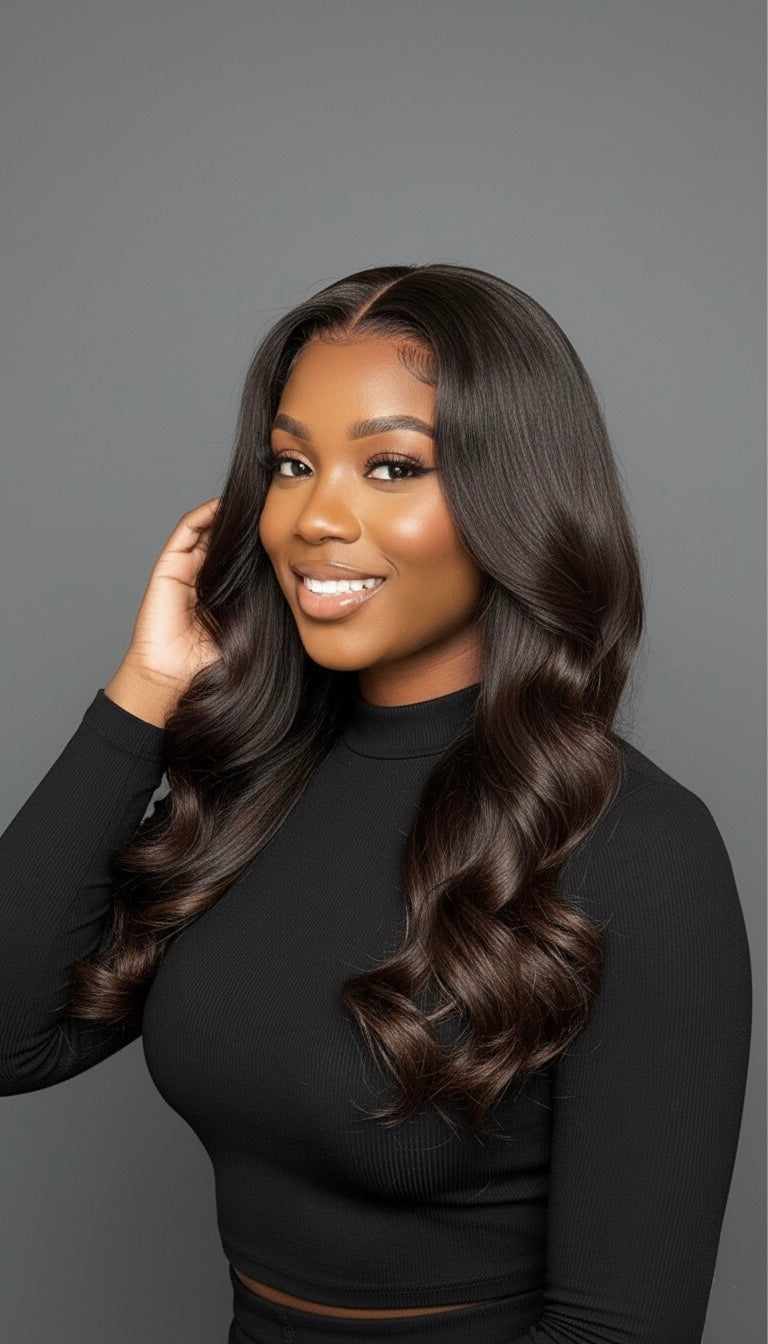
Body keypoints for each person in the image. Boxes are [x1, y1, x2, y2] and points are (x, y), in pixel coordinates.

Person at [0, 263, 752, 1344]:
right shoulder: (256, 787)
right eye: (292, 464)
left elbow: (620, 1330)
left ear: (511, 498)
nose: (316, 517)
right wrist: (145, 694)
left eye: (392, 466)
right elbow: (12, 1037)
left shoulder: (639, 847)